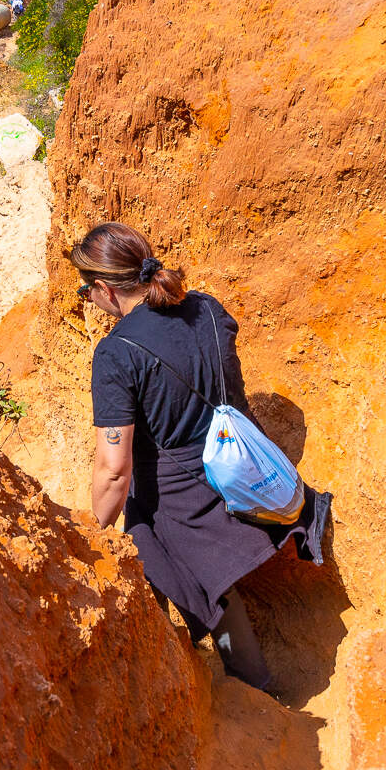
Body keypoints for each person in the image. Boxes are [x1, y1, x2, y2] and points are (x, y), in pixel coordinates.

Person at [73, 221, 331, 692]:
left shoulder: (115, 353)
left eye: (86, 289)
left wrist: (94, 532)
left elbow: (114, 467)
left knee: (174, 563)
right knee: (204, 577)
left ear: (106, 289)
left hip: (180, 492)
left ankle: (239, 690)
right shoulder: (205, 308)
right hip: (241, 461)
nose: (87, 297)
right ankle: (241, 681)